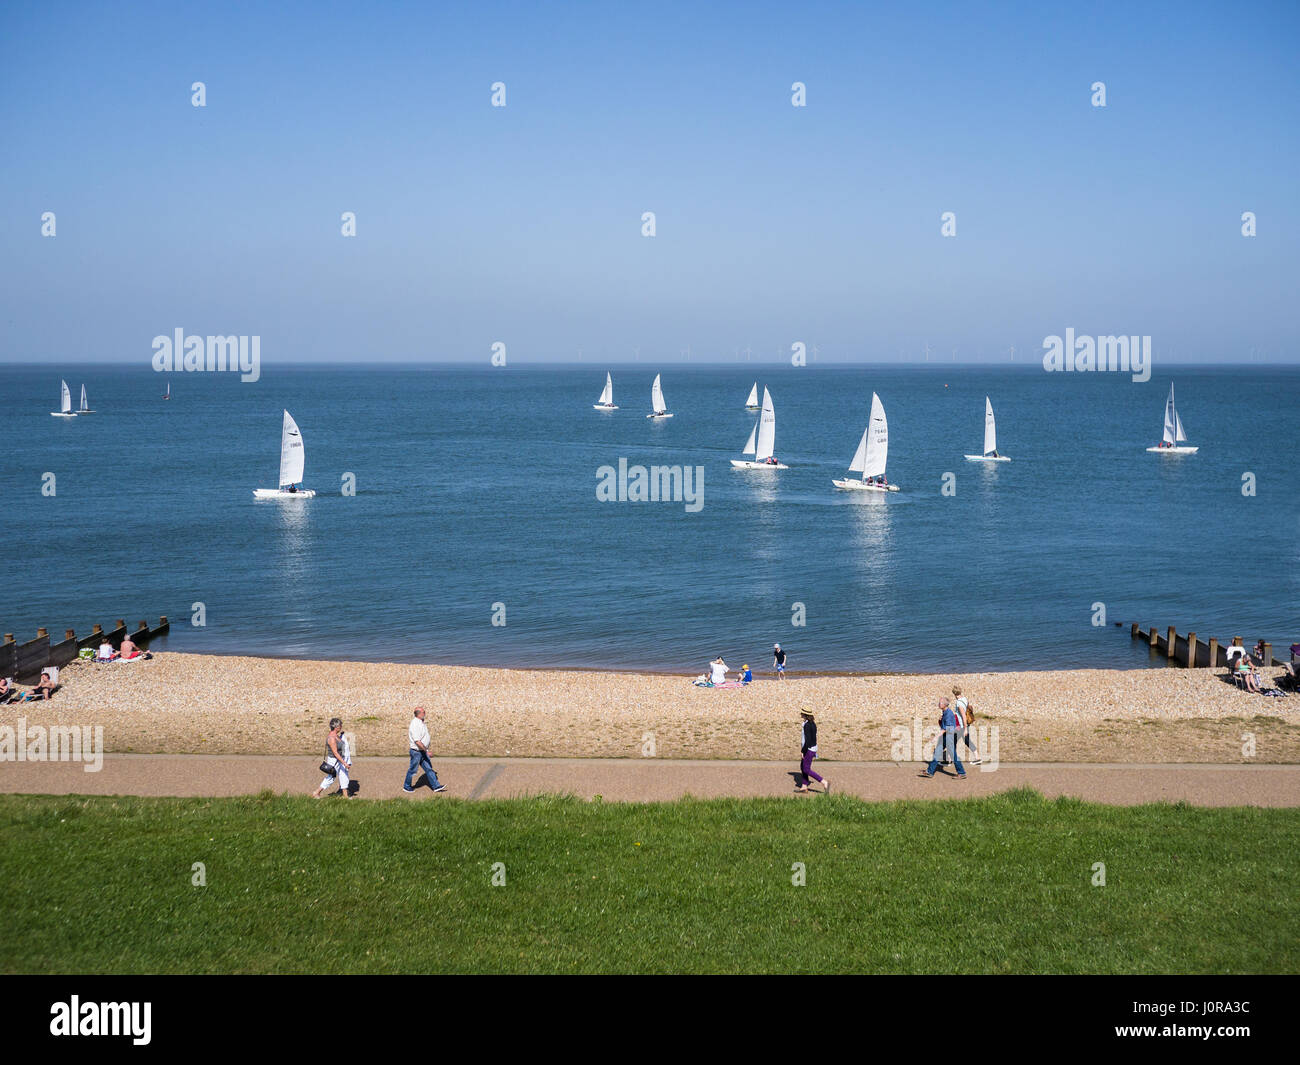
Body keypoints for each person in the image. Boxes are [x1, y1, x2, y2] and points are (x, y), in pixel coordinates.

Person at [920, 697, 965, 778]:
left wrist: (936, 737)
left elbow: (946, 729)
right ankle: (930, 771)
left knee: (953, 755)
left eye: (940, 703)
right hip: (946, 736)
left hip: (949, 736)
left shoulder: (948, 714)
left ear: (944, 705)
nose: (938, 704)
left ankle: (961, 773)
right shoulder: (945, 712)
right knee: (937, 752)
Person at [404, 707, 446, 793]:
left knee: (429, 769)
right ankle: (406, 786)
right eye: (424, 712)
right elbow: (417, 741)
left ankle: (436, 786)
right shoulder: (415, 724)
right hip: (417, 752)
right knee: (412, 770)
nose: (425, 713)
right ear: (419, 713)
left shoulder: (421, 722)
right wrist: (427, 751)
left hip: (422, 751)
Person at [313, 717, 351, 798]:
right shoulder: (331, 738)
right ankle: (316, 792)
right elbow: (335, 753)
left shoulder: (336, 735)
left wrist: (342, 736)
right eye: (341, 725)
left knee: (344, 775)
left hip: (339, 759)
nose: (341, 727)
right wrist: (344, 763)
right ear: (337, 727)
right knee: (331, 778)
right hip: (334, 760)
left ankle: (345, 796)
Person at [794, 710, 828, 793]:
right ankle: (804, 786)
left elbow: (808, 741)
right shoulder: (812, 724)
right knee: (802, 766)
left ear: (805, 715)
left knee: (806, 769)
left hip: (809, 749)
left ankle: (824, 782)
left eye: (802, 713)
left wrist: (803, 751)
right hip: (812, 748)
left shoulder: (807, 726)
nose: (800, 714)